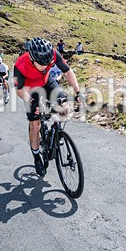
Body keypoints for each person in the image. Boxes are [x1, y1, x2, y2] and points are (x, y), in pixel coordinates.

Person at [14, 37, 82, 176]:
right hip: (30, 89)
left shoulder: (53, 54)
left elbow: (68, 72)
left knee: (64, 105)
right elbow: (19, 90)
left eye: (47, 63)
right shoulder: (20, 65)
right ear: (32, 58)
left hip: (47, 82)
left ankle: (56, 134)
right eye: (41, 64)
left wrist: (77, 92)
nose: (45, 67)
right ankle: (37, 156)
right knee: (35, 124)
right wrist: (32, 102)